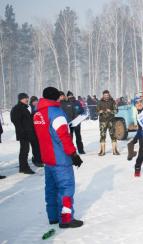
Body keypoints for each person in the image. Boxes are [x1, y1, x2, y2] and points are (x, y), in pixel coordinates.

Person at [33, 87, 83, 229]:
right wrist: (73, 154)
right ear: (57, 98)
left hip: (47, 157)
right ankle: (66, 219)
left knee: (51, 188)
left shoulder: (38, 114)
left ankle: (53, 216)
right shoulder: (56, 113)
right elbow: (63, 137)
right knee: (66, 188)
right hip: (60, 158)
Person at [10, 93, 43, 174]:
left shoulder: (24, 108)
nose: (27, 99)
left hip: (29, 132)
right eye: (25, 98)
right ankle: (24, 168)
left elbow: (27, 120)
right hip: (23, 134)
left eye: (27, 98)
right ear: (20, 99)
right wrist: (22, 132)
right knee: (24, 151)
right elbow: (16, 121)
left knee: (28, 149)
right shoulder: (17, 108)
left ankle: (27, 165)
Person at [96, 90, 119, 156]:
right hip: (102, 121)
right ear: (103, 95)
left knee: (113, 135)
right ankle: (102, 151)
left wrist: (111, 111)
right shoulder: (99, 102)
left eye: (107, 95)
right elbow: (96, 112)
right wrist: (99, 112)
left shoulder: (112, 101)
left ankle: (115, 151)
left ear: (109, 95)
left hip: (111, 121)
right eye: (105, 95)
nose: (106, 96)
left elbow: (116, 111)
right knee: (102, 136)